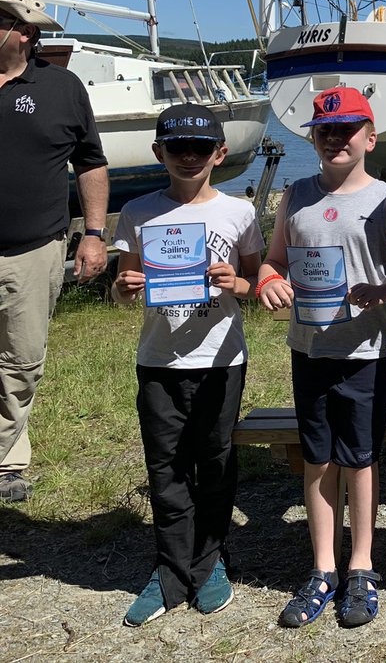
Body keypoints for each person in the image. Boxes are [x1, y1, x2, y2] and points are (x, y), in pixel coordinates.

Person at [257, 86, 386, 629]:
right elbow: (274, 260)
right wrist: (269, 280)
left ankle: (361, 565)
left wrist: (385, 292)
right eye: (324, 129)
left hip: (365, 350)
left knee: (360, 457)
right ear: (313, 138)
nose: (334, 138)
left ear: (370, 138)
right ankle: (323, 567)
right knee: (317, 456)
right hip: (309, 347)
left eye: (346, 129)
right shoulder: (295, 194)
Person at [111, 103, 264, 626]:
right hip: (158, 360)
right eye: (178, 148)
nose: (189, 157)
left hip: (221, 357)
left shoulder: (239, 213)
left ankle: (211, 559)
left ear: (220, 153)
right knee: (166, 466)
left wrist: (236, 284)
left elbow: (253, 281)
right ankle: (171, 569)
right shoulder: (136, 212)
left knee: (216, 461)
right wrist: (124, 288)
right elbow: (122, 292)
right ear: (160, 153)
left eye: (201, 148)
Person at [0, 0, 109, 503]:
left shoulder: (63, 88)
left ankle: (5, 460)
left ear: (21, 32)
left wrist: (93, 234)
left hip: (33, 248)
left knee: (20, 359)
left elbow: (89, 161)